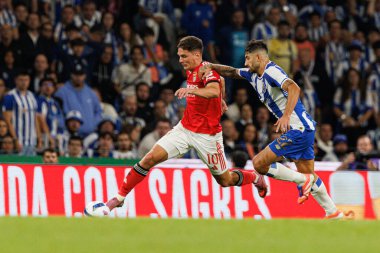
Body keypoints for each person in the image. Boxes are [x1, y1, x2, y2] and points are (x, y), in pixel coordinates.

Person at [105, 36, 268, 213]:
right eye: (179, 56)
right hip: (184, 129)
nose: (180, 60)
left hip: (208, 137)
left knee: (225, 180)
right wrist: (222, 100)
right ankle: (119, 198)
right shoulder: (191, 69)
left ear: (196, 55)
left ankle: (254, 178)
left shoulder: (207, 71)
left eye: (183, 56)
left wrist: (196, 91)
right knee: (149, 159)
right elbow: (220, 83)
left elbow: (214, 88)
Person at [199, 39, 352, 219]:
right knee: (308, 174)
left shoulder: (272, 71)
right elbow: (232, 72)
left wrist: (286, 115)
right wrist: (210, 66)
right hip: (304, 129)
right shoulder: (252, 74)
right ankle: (334, 213)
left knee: (259, 163)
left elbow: (294, 88)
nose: (245, 63)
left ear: (258, 57)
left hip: (299, 128)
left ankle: (306, 183)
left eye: (248, 59)